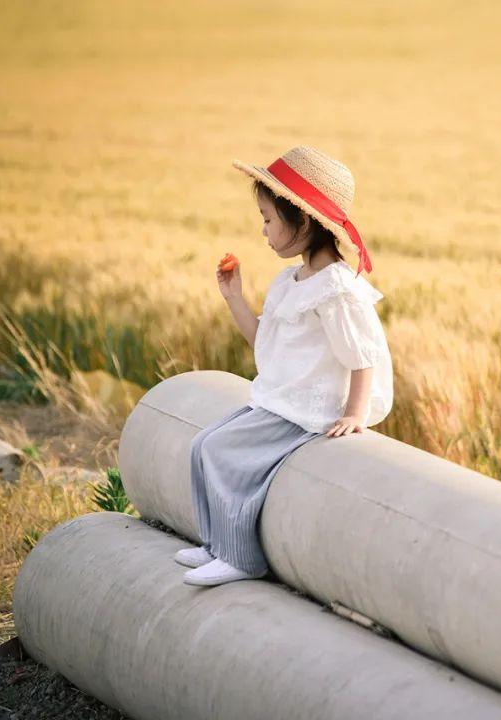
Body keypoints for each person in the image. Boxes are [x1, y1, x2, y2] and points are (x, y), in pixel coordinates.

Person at [175, 145, 393, 587]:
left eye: (268, 219)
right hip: (280, 398)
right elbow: (266, 345)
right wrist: (234, 297)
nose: (263, 231)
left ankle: (240, 557)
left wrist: (353, 414)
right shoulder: (292, 281)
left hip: (308, 408)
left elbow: (363, 355)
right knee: (202, 445)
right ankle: (216, 542)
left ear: (304, 221)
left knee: (223, 453)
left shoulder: (336, 289)